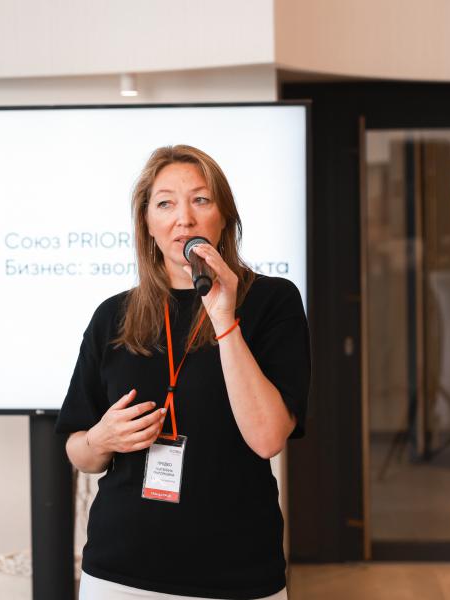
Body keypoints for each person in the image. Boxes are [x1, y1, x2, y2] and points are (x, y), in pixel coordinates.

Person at [56, 145, 310, 600]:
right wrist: (100, 439)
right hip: (118, 572)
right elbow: (80, 453)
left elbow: (268, 438)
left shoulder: (273, 302)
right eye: (165, 203)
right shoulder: (112, 316)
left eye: (200, 200)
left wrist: (224, 317)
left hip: (236, 574)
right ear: (147, 224)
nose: (184, 219)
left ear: (223, 217)